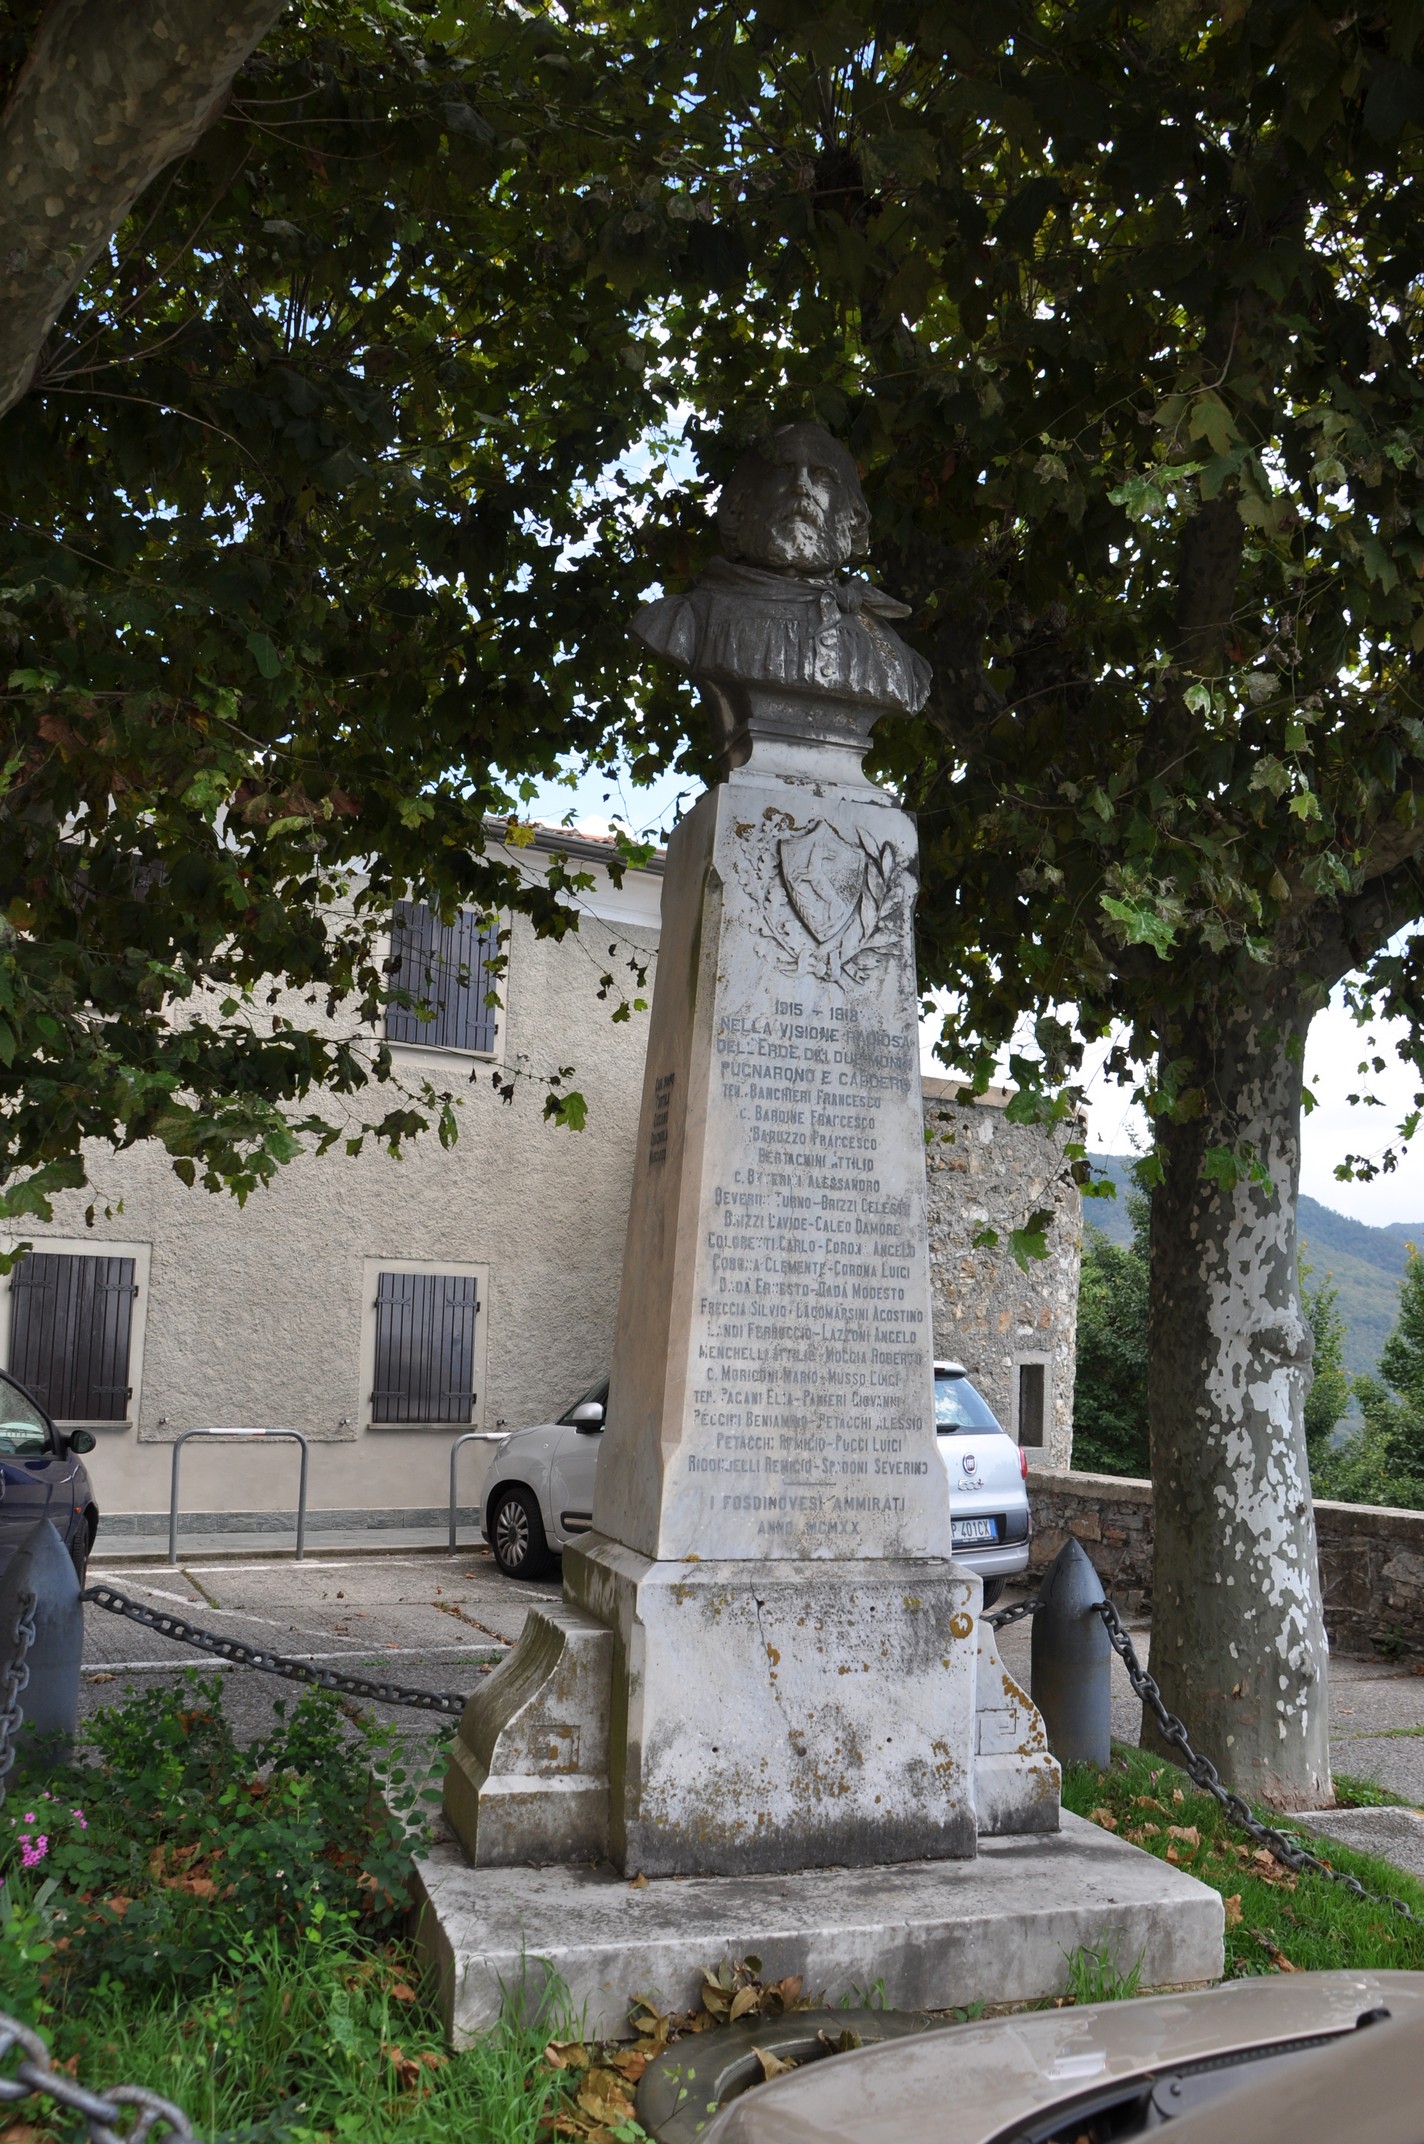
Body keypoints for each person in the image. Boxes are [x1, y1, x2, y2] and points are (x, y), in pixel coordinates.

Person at [633, 421, 930, 716]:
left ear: (853, 516)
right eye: (782, 470)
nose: (801, 486)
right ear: (739, 504)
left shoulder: (895, 660)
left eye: (822, 477)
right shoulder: (685, 621)